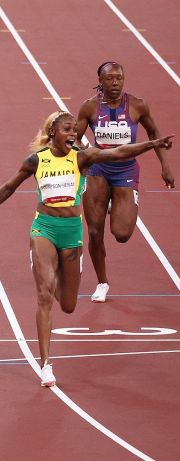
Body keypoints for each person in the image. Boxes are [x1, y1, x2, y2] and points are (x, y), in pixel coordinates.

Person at [0, 111, 172, 386]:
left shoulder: (82, 158)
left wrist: (151, 144)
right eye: (67, 130)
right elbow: (7, 189)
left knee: (67, 305)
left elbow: (119, 153)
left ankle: (57, 270)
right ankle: (46, 364)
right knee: (44, 295)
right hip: (43, 228)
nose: (73, 135)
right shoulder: (36, 160)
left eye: (75, 131)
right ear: (53, 132)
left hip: (71, 233)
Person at [75, 61, 175, 302]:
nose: (115, 82)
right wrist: (84, 158)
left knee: (122, 234)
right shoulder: (89, 108)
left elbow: (154, 135)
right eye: (109, 78)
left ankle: (119, 202)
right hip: (98, 171)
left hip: (125, 171)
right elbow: (75, 139)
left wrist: (165, 165)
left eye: (119, 78)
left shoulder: (137, 105)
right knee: (95, 230)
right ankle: (102, 282)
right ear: (100, 81)